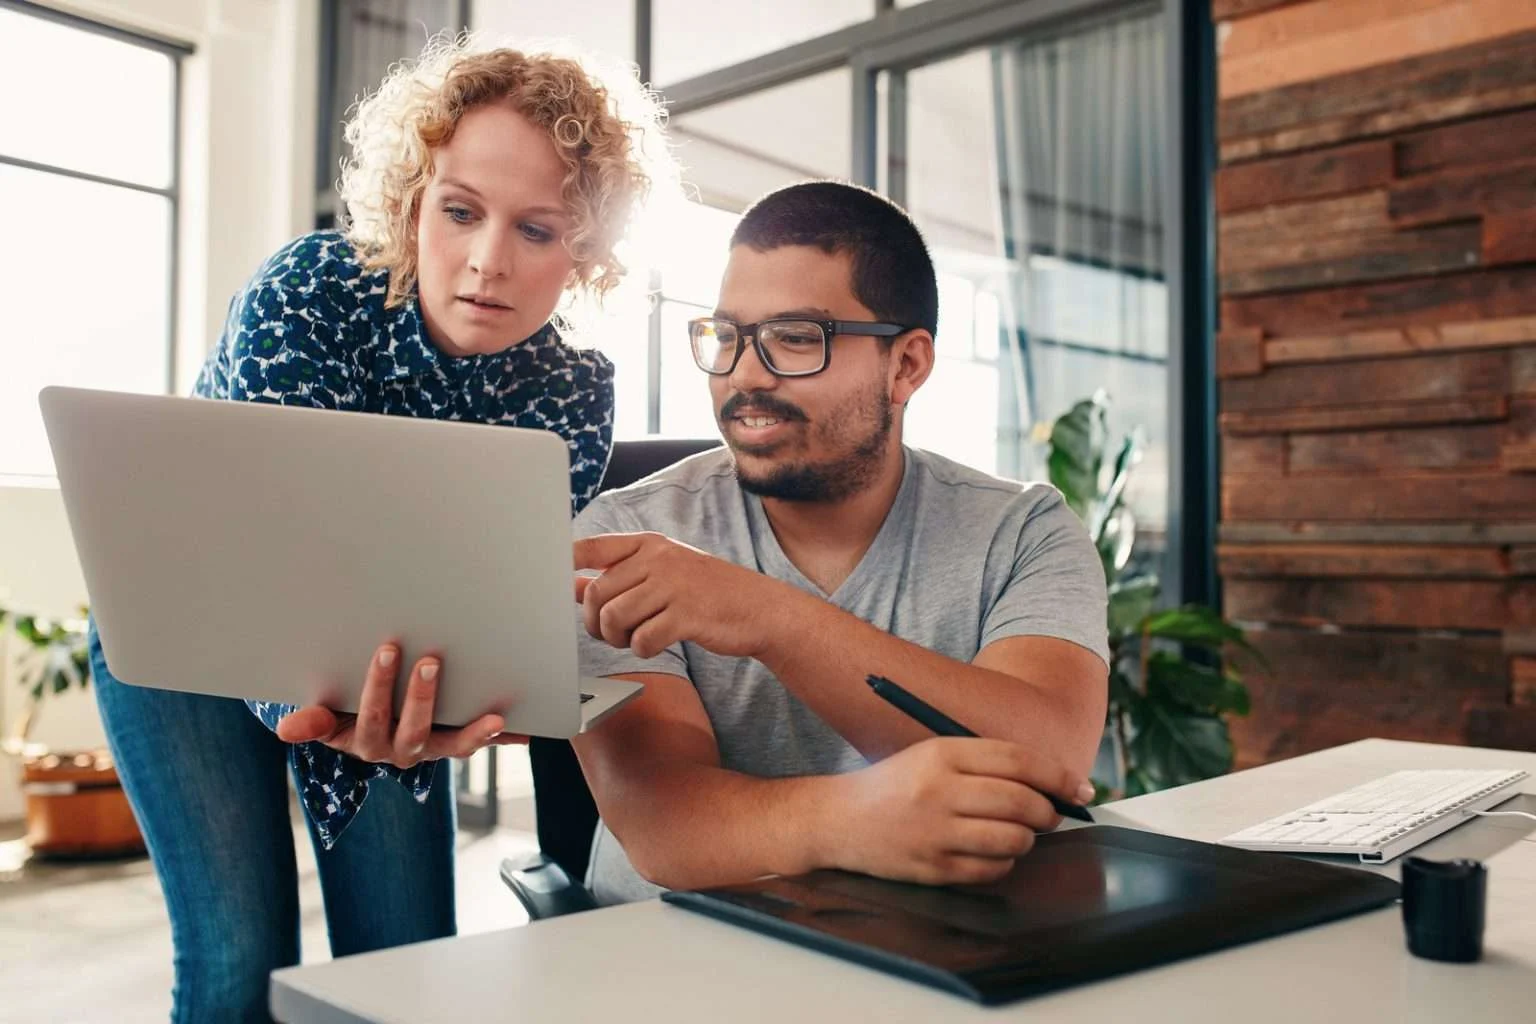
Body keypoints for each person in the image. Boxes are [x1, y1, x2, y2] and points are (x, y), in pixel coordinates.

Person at [86, 36, 668, 1020]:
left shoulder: (575, 388)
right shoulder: (308, 290)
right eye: (459, 211)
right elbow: (268, 556)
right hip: (186, 628)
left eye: (539, 229)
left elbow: (491, 604)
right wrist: (318, 709)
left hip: (396, 680)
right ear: (410, 200)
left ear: (590, 251)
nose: (488, 261)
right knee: (237, 966)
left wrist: (461, 705)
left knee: (406, 972)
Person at [567, 181, 1110, 904]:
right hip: (672, 959)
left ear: (907, 366)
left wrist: (769, 617)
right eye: (726, 337)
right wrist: (854, 820)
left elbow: (1047, 765)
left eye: (796, 338)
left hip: (936, 946)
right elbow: (662, 824)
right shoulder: (620, 535)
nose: (745, 375)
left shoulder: (1023, 532)